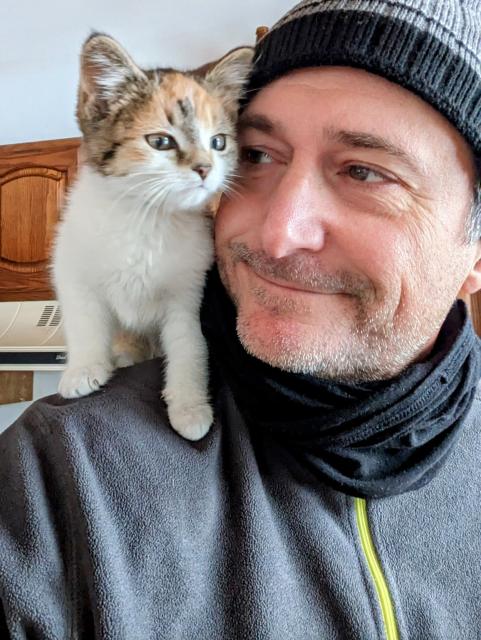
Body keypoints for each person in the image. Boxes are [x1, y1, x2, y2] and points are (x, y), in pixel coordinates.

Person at [1, 0, 480, 638]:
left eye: (365, 171)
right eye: (256, 157)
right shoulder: (59, 472)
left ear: (474, 252)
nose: (278, 235)